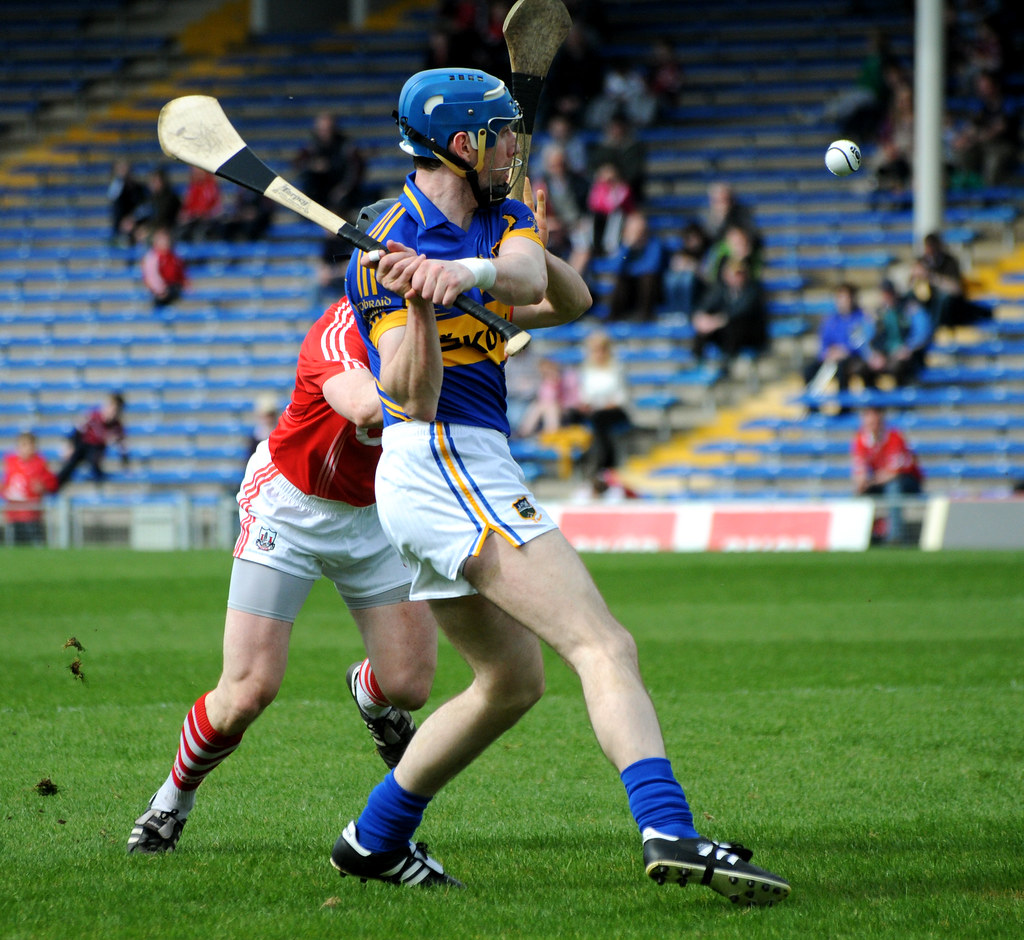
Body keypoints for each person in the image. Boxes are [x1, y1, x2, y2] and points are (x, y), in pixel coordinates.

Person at [336, 65, 791, 904]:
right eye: (502, 132)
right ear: (463, 142)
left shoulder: (498, 214)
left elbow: (561, 295)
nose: (516, 145)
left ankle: (373, 839)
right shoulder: (382, 248)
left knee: (511, 683)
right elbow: (411, 395)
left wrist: (465, 275)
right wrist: (423, 302)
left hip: (462, 466)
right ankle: (671, 830)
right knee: (604, 644)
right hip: (440, 457)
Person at [126, 292, 439, 854]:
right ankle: (173, 798)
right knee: (247, 691)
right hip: (290, 507)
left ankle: (370, 695)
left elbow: (561, 302)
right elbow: (367, 407)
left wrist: (515, 259)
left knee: (409, 687)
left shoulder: (443, 316)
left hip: (377, 516)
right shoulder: (340, 329)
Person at [851, 405, 923, 544]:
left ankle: (896, 537)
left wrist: (870, 482)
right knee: (860, 493)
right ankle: (863, 537)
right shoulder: (861, 440)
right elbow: (859, 469)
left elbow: (894, 472)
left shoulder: (894, 437)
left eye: (875, 422)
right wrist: (861, 483)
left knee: (893, 488)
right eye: (869, 422)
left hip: (907, 480)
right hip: (880, 480)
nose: (872, 426)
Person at [802, 282, 873, 414]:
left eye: (846, 297)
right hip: (831, 359)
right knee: (809, 370)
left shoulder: (861, 318)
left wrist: (846, 351)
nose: (843, 301)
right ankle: (813, 409)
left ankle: (844, 407)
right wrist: (828, 353)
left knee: (842, 367)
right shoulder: (831, 320)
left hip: (852, 359)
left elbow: (862, 341)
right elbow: (824, 342)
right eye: (840, 298)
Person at [574, 327, 632, 486]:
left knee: (599, 420)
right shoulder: (586, 369)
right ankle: (586, 464)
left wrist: (601, 405)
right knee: (575, 416)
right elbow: (584, 395)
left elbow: (621, 397)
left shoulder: (616, 368)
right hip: (594, 411)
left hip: (613, 411)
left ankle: (602, 467)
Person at [690, 257, 768, 366]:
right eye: (733, 274)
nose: (736, 277)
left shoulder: (753, 290)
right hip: (724, 333)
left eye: (739, 273)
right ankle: (696, 360)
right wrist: (700, 317)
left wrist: (717, 321)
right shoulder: (720, 289)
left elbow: (740, 312)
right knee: (703, 326)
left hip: (748, 334)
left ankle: (727, 363)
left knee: (733, 324)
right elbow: (705, 305)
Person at [859, 278, 932, 388]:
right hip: (883, 355)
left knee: (899, 367)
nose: (886, 297)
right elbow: (865, 338)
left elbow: (922, 331)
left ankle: (902, 402)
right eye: (884, 294)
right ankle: (873, 403)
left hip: (904, 355)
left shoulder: (908, 309)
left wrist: (908, 348)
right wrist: (872, 356)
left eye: (889, 293)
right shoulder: (875, 315)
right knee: (863, 369)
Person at [293, 112, 367, 216]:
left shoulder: (346, 147)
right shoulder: (311, 147)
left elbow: (356, 171)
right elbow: (298, 165)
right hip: (318, 192)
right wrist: (313, 166)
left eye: (328, 129)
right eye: (322, 130)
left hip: (343, 192)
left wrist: (343, 189)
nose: (325, 133)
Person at [55, 392, 128, 490]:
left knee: (94, 458)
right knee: (70, 464)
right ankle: (55, 486)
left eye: (116, 410)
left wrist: (125, 463)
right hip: (82, 444)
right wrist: (69, 445)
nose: (112, 413)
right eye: (111, 408)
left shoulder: (117, 427)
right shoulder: (93, 416)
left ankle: (98, 482)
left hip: (96, 449)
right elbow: (77, 430)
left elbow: (122, 447)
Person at [606, 209, 666, 322]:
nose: (638, 234)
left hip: (648, 290)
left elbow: (651, 266)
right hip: (629, 288)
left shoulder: (654, 243)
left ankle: (644, 316)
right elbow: (614, 267)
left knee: (647, 278)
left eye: (640, 230)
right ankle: (613, 317)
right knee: (619, 280)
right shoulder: (624, 247)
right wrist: (628, 247)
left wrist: (630, 269)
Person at [2, 431, 59, 545]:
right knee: (14, 547)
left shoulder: (39, 463)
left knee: (35, 545)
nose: (26, 449)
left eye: (29, 445)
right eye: (23, 445)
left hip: (32, 514)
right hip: (14, 514)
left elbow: (52, 484)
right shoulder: (11, 462)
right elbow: (6, 484)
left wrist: (43, 486)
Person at [141, 227, 188, 310]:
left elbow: (181, 273)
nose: (164, 242)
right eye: (161, 239)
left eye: (166, 239)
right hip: (160, 291)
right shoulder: (152, 257)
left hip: (173, 288)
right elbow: (151, 277)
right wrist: (160, 290)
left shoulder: (174, 256)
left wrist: (185, 284)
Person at [107, 159, 149, 246]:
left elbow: (145, 207)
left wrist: (133, 218)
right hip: (121, 227)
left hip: (139, 224)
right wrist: (123, 223)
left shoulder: (140, 188)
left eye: (126, 169)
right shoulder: (116, 188)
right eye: (120, 170)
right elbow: (113, 199)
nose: (124, 172)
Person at [176, 167, 223, 243]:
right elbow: (188, 206)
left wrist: (204, 214)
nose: (196, 174)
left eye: (198, 171)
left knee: (199, 232)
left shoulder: (211, 186)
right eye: (194, 172)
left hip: (207, 221)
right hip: (193, 219)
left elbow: (216, 208)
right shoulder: (192, 187)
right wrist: (186, 214)